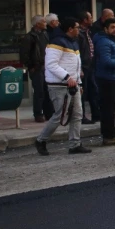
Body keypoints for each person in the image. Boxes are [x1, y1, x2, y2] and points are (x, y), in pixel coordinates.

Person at [34, 18, 88, 156]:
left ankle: (75, 144)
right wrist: (67, 77)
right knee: (60, 116)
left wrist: (78, 83)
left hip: (72, 85)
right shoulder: (56, 42)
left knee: (77, 115)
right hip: (59, 85)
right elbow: (51, 64)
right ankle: (41, 140)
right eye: (77, 27)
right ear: (70, 29)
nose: (79, 29)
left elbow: (74, 66)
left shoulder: (73, 43)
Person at [93, 18, 115, 145]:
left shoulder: (108, 40)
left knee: (110, 107)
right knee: (108, 108)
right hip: (106, 78)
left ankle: (110, 135)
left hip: (109, 77)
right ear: (105, 29)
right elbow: (106, 61)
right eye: (112, 27)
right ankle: (109, 136)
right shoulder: (104, 42)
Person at [20, 15, 52, 122]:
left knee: (47, 91)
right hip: (37, 68)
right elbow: (24, 54)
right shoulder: (29, 37)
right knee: (39, 92)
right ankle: (38, 114)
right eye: (43, 21)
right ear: (37, 24)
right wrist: (31, 66)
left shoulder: (45, 34)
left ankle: (49, 113)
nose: (45, 23)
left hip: (46, 67)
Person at [78, 12, 99, 125]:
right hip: (83, 66)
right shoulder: (80, 34)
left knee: (93, 90)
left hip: (90, 65)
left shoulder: (88, 32)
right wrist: (80, 67)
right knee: (82, 92)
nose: (92, 19)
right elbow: (78, 52)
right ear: (85, 20)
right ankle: (81, 116)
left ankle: (96, 114)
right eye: (90, 18)